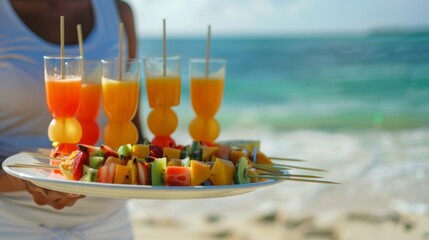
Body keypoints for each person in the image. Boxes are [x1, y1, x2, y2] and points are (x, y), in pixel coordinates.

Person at [0, 0, 142, 239]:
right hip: (12, 222)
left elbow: (134, 136)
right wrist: (25, 179)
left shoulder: (119, 12)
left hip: (110, 222)